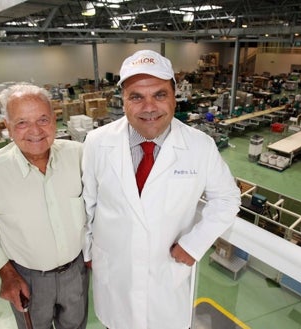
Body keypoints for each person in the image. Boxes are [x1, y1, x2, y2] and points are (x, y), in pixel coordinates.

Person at [82, 49, 241, 329]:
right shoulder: (96, 142)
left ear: (174, 96)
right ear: (123, 100)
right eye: (137, 97)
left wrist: (194, 244)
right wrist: (89, 253)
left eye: (159, 94)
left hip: (167, 278)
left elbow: (227, 199)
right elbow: (87, 205)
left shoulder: (200, 146)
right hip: (115, 277)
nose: (149, 107)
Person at [0, 83, 88, 329]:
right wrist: (7, 275)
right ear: (8, 126)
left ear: (55, 120)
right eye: (22, 122)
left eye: (43, 119)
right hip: (27, 280)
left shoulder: (79, 156)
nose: (35, 131)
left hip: (76, 273)